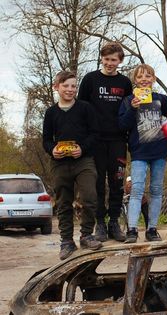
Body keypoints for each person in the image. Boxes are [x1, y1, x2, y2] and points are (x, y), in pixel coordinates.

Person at [42, 70, 102, 260]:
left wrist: (82, 149)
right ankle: (67, 241)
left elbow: (95, 134)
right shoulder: (51, 113)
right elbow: (46, 140)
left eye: (73, 86)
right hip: (59, 163)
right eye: (66, 85)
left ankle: (86, 235)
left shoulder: (86, 108)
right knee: (63, 202)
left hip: (83, 161)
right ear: (57, 87)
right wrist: (52, 150)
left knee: (90, 196)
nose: (70, 89)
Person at [78, 41, 132, 242]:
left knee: (117, 182)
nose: (110, 63)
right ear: (102, 58)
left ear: (120, 61)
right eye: (107, 59)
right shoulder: (90, 79)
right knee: (98, 183)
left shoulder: (125, 83)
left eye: (114, 60)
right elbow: (80, 109)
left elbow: (129, 110)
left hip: (118, 140)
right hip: (96, 141)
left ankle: (114, 223)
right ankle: (100, 223)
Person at [119, 64, 167, 243]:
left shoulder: (161, 99)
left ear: (154, 79)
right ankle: (132, 230)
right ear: (135, 80)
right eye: (140, 77)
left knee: (156, 190)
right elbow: (122, 126)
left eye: (148, 76)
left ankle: (152, 229)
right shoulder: (127, 100)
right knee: (137, 190)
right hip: (139, 151)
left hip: (159, 150)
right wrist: (133, 108)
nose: (144, 80)